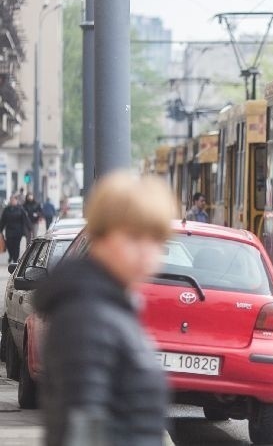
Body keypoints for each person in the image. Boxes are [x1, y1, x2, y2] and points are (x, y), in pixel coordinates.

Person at [35, 172, 177, 446]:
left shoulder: (108, 307)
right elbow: (82, 431)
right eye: (134, 237)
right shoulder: (87, 315)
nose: (148, 252)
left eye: (157, 240)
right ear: (99, 237)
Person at [0, 196, 32, 264]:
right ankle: (11, 255)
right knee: (9, 244)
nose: (12, 201)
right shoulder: (6, 209)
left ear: (16, 201)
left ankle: (15, 259)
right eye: (11, 200)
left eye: (13, 200)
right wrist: (1, 229)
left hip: (18, 231)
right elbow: (3, 221)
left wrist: (29, 228)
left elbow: (25, 219)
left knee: (16, 245)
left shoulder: (20, 209)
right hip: (9, 231)